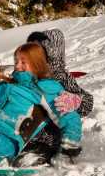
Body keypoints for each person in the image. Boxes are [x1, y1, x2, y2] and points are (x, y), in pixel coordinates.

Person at [16, 29, 94, 165]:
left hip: (50, 130)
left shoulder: (60, 77)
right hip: (22, 125)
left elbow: (87, 102)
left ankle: (41, 155)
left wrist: (76, 100)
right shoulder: (24, 72)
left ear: (51, 51)